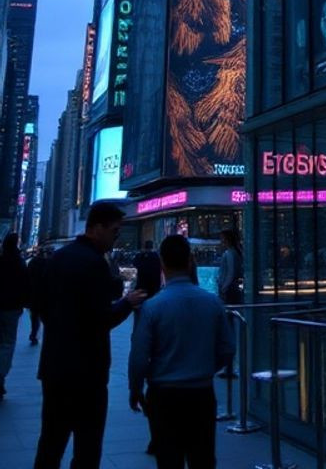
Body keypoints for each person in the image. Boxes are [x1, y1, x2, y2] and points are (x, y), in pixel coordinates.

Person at [33, 200, 146, 469]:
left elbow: (40, 304)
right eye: (114, 231)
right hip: (87, 372)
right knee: (87, 445)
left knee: (51, 441)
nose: (116, 237)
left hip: (55, 366)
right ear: (96, 228)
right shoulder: (94, 263)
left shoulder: (58, 257)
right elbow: (101, 319)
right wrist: (127, 303)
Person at [128, 234, 235, 469]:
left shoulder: (152, 307)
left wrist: (135, 389)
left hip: (163, 393)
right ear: (189, 262)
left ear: (162, 264)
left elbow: (139, 356)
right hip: (201, 392)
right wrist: (205, 366)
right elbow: (228, 348)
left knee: (169, 460)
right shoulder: (213, 303)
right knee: (202, 459)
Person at [0, 232, 29, 397]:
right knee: (8, 343)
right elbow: (25, 285)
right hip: (12, 308)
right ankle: (1, 377)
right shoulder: (19, 262)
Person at [27, 247, 50, 345]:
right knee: (45, 318)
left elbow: (27, 278)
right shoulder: (48, 263)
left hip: (33, 295)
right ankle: (42, 337)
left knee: (34, 317)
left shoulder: (32, 262)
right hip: (45, 296)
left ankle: (34, 334)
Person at [217, 229, 242, 307]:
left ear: (227, 240)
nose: (221, 241)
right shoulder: (233, 252)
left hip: (228, 288)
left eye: (222, 238)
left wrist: (224, 287)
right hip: (229, 286)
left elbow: (231, 273)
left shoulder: (229, 253)